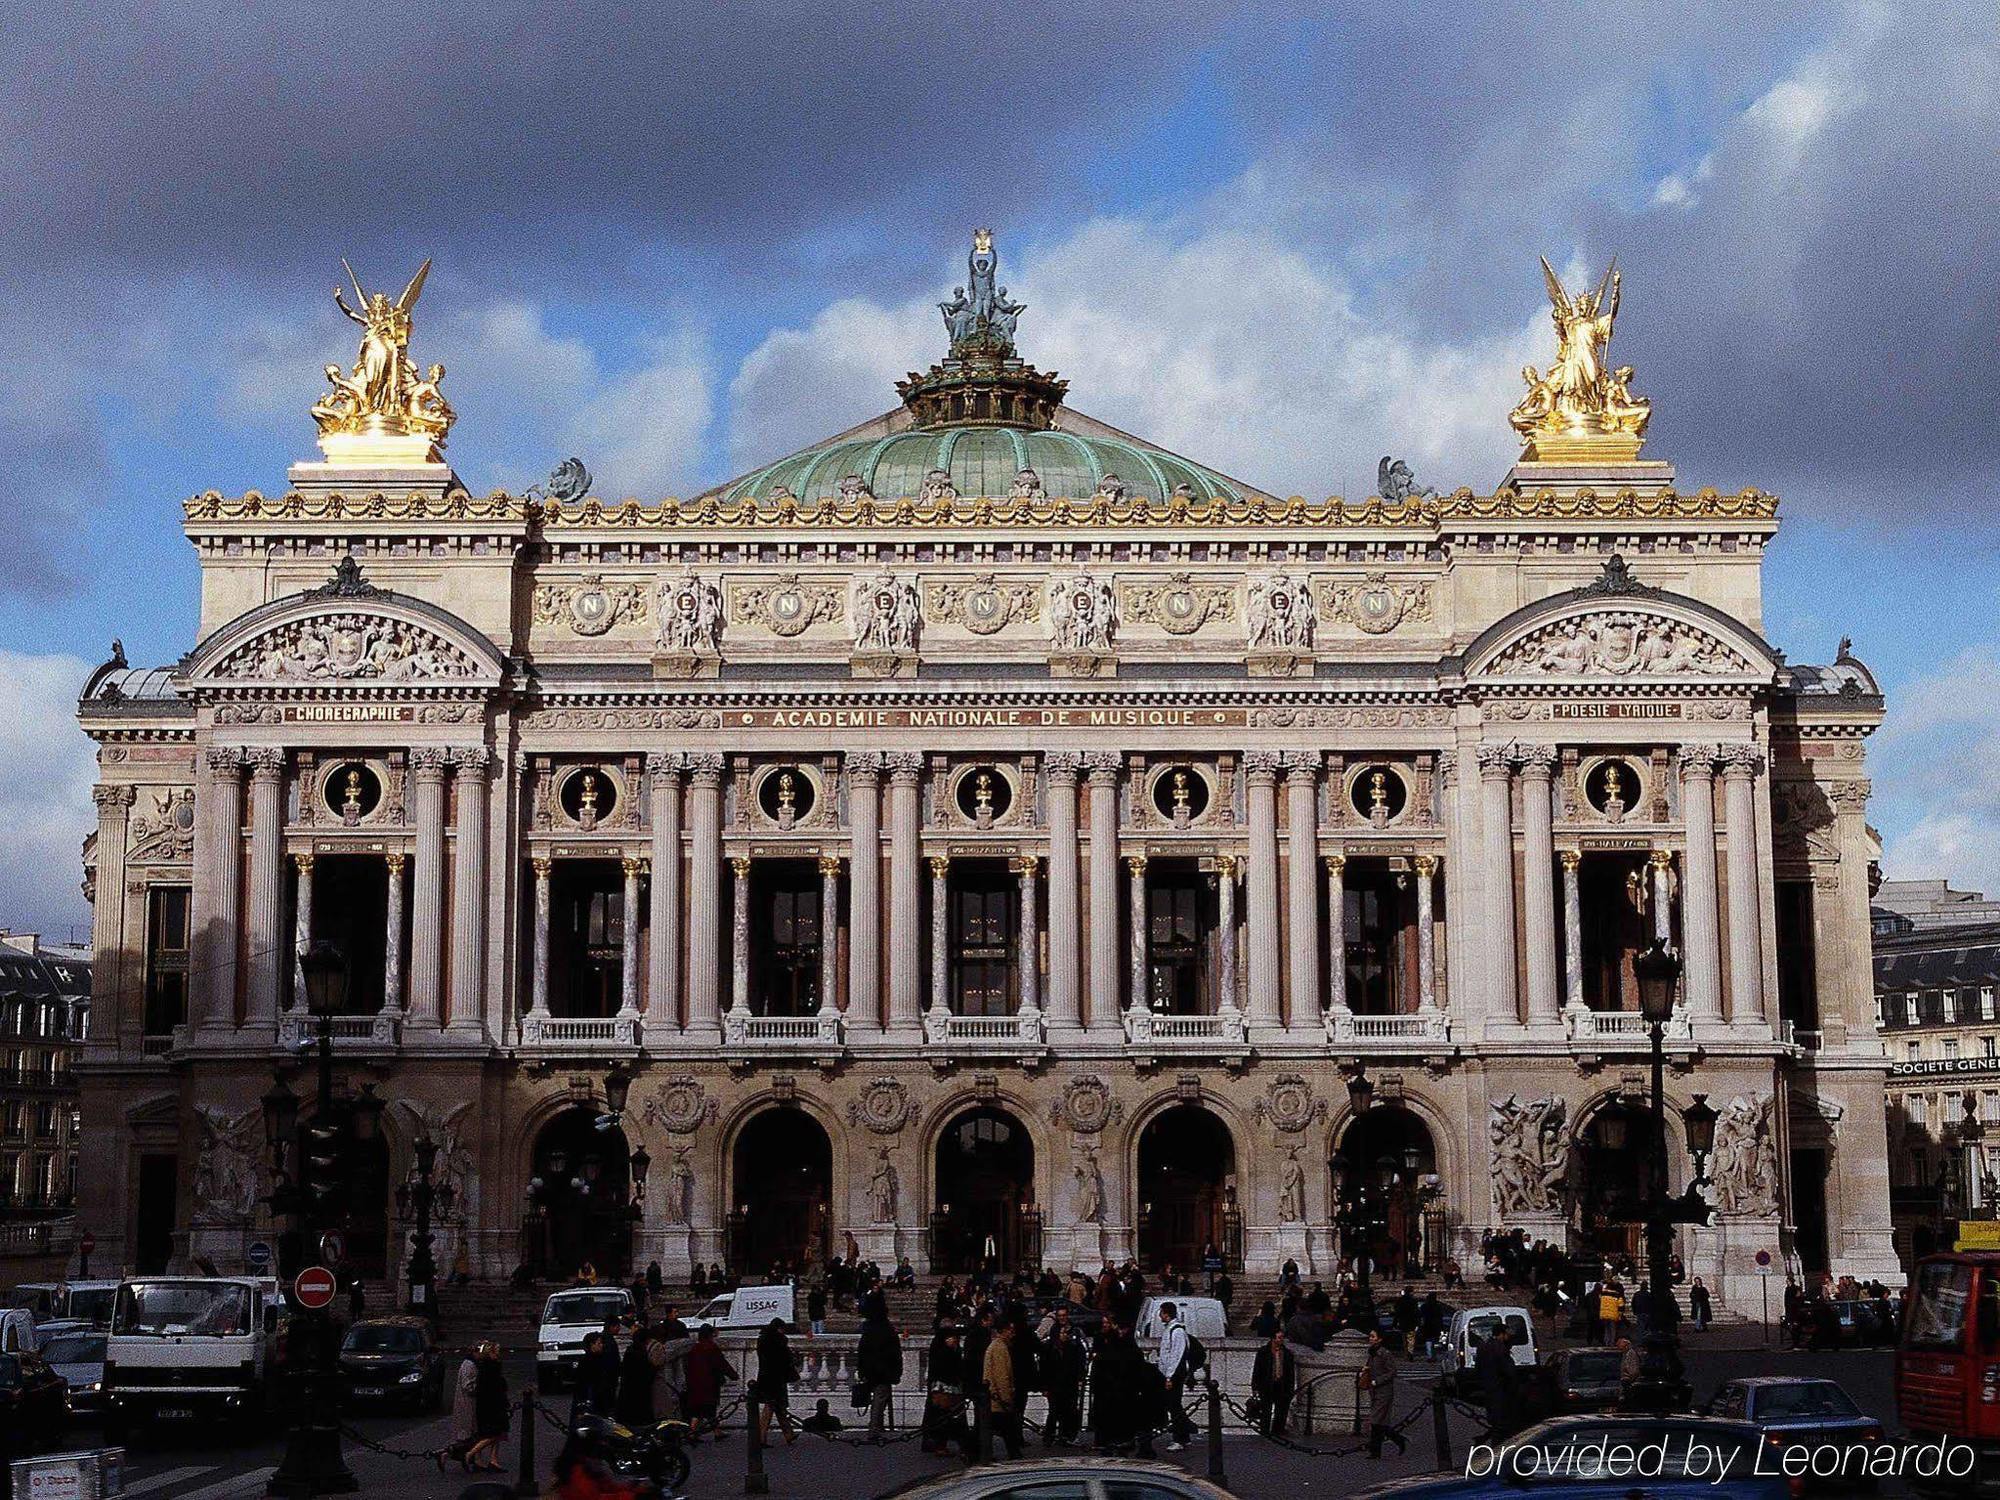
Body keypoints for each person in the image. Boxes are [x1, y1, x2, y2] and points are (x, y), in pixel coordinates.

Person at [1153, 1301, 1196, 1451]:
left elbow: (1176, 1356)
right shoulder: (1172, 1330)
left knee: (1174, 1405)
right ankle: (1185, 1435)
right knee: (1174, 1405)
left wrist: (1170, 1376)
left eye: (1161, 1313)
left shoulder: (1176, 1331)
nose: (1159, 1316)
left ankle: (1180, 1436)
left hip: (1174, 1374)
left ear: (1166, 1313)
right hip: (1171, 1373)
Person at [857, 1306, 904, 1440]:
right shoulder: (888, 1331)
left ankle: (877, 1424)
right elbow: (895, 1353)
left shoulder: (868, 1332)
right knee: (880, 1398)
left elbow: (862, 1352)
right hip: (884, 1371)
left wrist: (861, 1370)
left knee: (878, 1398)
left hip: (870, 1369)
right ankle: (875, 1428)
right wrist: (897, 1371)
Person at [683, 1325, 735, 1441]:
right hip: (709, 1382)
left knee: (699, 1409)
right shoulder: (711, 1347)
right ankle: (707, 1432)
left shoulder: (695, 1348)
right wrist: (733, 1375)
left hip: (695, 1383)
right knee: (708, 1408)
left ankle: (699, 1432)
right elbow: (721, 1363)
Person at [466, 1341, 510, 1473]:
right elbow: (495, 1388)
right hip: (493, 1405)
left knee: (496, 1432)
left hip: (489, 1404)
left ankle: (493, 1460)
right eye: (496, 1351)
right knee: (495, 1432)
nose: (498, 1354)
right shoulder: (491, 1367)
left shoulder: (485, 1366)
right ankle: (471, 1453)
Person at [1041, 1319, 1086, 1446]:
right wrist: (1045, 1386)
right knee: (1054, 1411)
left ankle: (1065, 1435)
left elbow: (1078, 1364)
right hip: (1054, 1384)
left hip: (1068, 1384)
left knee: (1068, 1411)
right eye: (1063, 1333)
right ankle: (1049, 1436)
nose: (1065, 1335)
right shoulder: (1049, 1348)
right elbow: (1044, 1368)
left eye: (1066, 1333)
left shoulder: (1072, 1347)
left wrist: (1079, 1378)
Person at [755, 1317, 799, 1445]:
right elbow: (785, 1360)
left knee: (777, 1407)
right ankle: (761, 1437)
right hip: (776, 1378)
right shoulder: (779, 1341)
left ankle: (788, 1433)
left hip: (765, 1377)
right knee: (771, 1407)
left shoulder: (762, 1340)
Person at [983, 1318, 1023, 1459]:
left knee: (998, 1429)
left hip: (995, 1397)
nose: (1013, 1334)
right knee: (1008, 1429)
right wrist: (1006, 1398)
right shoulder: (1000, 1348)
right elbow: (1002, 1376)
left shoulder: (996, 1346)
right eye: (1010, 1331)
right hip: (999, 1399)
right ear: (1004, 1331)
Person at [1473, 1326, 1518, 1439]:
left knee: (1494, 1413)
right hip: (1499, 1385)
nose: (1508, 1336)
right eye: (1506, 1334)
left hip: (1489, 1384)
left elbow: (1478, 1367)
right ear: (1501, 1334)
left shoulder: (1484, 1346)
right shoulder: (1499, 1348)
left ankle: (1497, 1433)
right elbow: (1508, 1369)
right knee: (1502, 1416)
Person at [1250, 1329, 1296, 1438]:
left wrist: (1291, 1387)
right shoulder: (1263, 1352)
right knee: (1266, 1408)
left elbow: (1290, 1372)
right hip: (1266, 1385)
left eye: (1282, 1337)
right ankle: (1265, 1429)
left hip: (1282, 1384)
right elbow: (1257, 1369)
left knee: (1281, 1409)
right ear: (1273, 1338)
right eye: (1279, 1337)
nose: (1281, 1340)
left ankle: (1278, 1429)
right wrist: (1255, 1386)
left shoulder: (1287, 1353)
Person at [441, 1346, 480, 1472]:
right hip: (468, 1403)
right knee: (467, 1434)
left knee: (469, 1434)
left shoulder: (468, 1364)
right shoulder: (470, 1365)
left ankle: (471, 1459)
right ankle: (448, 1453)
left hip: (467, 1403)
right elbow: (468, 1386)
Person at [572, 1330, 620, 1420]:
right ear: (592, 1345)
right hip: (594, 1400)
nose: (601, 1345)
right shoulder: (587, 1362)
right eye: (599, 1343)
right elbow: (582, 1385)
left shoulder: (601, 1359)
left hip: (602, 1400)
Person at [616, 1327, 656, 1426]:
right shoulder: (640, 1354)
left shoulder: (630, 1351)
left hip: (628, 1391)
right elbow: (646, 1374)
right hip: (639, 1393)